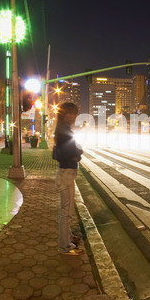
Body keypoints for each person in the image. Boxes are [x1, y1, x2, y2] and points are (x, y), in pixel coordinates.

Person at [53, 102, 83, 255]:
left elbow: (56, 153)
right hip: (66, 174)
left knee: (67, 210)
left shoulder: (63, 130)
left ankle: (68, 237)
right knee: (67, 212)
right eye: (69, 113)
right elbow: (68, 152)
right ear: (63, 115)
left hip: (65, 173)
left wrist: (76, 152)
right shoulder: (63, 131)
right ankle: (65, 246)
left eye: (74, 113)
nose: (72, 116)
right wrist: (77, 153)